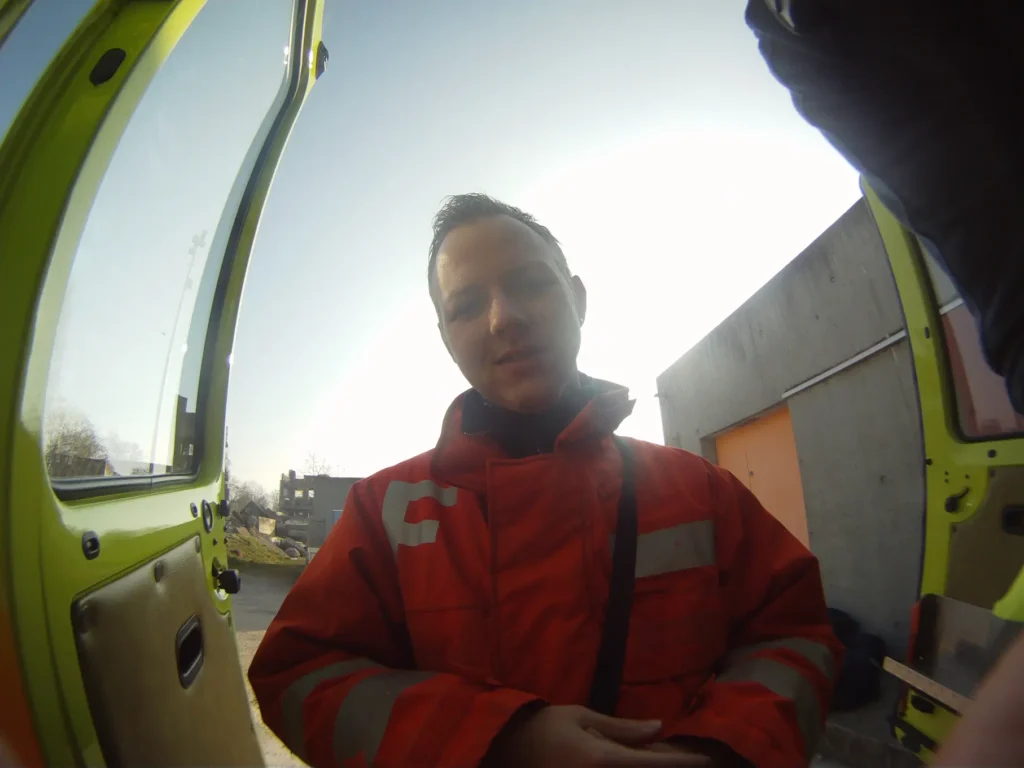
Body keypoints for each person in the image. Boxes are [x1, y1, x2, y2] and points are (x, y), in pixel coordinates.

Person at [249, 194, 843, 768]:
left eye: (530, 283)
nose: (504, 318)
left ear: (578, 299)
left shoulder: (700, 492)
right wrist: (501, 741)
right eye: (466, 306)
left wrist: (721, 750)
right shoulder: (381, 512)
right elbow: (298, 673)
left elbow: (794, 635)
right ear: (446, 337)